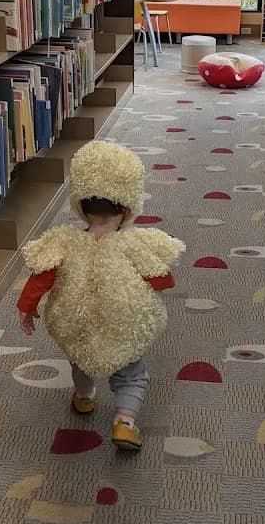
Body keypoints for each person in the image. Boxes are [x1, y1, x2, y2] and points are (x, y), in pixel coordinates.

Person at [17, 141, 185, 452]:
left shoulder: (64, 241)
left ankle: (84, 397)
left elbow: (40, 278)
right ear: (127, 207)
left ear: (81, 205)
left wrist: (26, 309)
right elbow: (162, 279)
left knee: (80, 360)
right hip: (122, 323)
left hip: (77, 324)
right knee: (131, 373)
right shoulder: (134, 243)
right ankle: (124, 421)